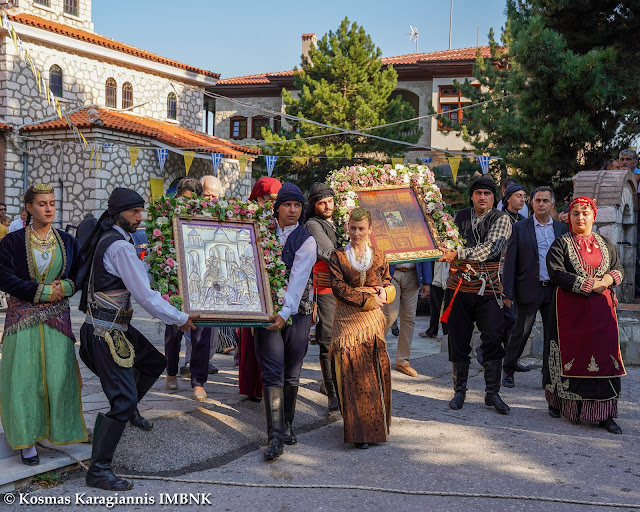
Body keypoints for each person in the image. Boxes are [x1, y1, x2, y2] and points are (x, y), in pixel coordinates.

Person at [74, 187, 198, 491]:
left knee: (154, 361)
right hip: (106, 333)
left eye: (141, 211)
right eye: (134, 212)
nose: (139, 217)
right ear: (119, 213)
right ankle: (99, 470)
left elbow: (143, 280)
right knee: (122, 398)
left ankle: (127, 412)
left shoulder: (117, 240)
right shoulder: (118, 246)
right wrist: (180, 319)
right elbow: (143, 295)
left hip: (114, 328)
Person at [0, 184, 87, 466]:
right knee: (23, 380)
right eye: (41, 204)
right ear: (28, 207)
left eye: (51, 203)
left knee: (58, 377)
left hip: (57, 320)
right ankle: (26, 441)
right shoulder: (11, 242)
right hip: (22, 320)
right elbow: (4, 277)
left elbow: (79, 273)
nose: (48, 208)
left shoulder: (67, 241)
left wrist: (66, 286)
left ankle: (58, 431)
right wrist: (44, 292)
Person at [544, 197, 625, 434]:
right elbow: (556, 273)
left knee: (605, 357)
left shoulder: (606, 243)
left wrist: (607, 281)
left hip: (602, 313)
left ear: (594, 216)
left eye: (585, 213)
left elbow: (618, 268)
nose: (581, 217)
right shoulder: (560, 244)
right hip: (569, 313)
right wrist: (590, 284)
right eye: (576, 213)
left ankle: (606, 414)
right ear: (569, 217)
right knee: (570, 355)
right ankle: (563, 404)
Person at [253, 182, 316, 461]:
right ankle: (274, 437)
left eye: (297, 206)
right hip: (266, 312)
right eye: (287, 204)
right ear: (277, 207)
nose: (292, 210)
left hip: (297, 311)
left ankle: (288, 423)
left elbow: (298, 279)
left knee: (292, 369)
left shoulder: (306, 239)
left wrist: (285, 312)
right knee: (272, 369)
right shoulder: (259, 230)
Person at [438, 175, 512, 414]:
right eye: (478, 193)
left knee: (493, 338)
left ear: (494, 197)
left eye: (487, 194)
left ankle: (492, 393)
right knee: (458, 340)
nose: (482, 197)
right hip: (458, 286)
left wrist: (456, 254)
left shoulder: (502, 219)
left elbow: (490, 249)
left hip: (489, 288)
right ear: (471, 196)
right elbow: (441, 241)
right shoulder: (457, 217)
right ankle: (459, 391)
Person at [329, 208, 396, 449]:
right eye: (353, 227)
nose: (356, 232)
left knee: (372, 373)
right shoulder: (337, 256)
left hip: (372, 324)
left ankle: (374, 429)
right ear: (347, 227)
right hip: (348, 322)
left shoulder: (379, 256)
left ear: (370, 230)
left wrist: (384, 293)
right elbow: (338, 287)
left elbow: (388, 281)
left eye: (361, 228)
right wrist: (367, 300)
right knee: (351, 372)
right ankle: (358, 433)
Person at [502, 186, 568, 388]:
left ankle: (548, 377)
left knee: (552, 336)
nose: (541, 204)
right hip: (529, 288)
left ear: (552, 204)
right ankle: (509, 369)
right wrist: (508, 292)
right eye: (538, 200)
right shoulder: (521, 228)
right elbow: (510, 262)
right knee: (521, 332)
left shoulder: (561, 229)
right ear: (532, 203)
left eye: (545, 201)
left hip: (554, 290)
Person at [164, 178, 214, 400]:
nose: (187, 205)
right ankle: (171, 373)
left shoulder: (208, 218)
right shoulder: (166, 219)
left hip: (200, 281)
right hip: (174, 281)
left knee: (202, 331)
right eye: (183, 199)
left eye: (192, 200)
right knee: (173, 330)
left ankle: (198, 381)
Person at [237, 177, 283, 402]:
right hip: (251, 281)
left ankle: (273, 383)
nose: (271, 204)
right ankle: (252, 385)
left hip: (276, 283)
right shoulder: (246, 218)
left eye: (276, 200)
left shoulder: (282, 219)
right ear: (257, 197)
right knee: (252, 334)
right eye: (267, 198)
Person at [304, 182, 341, 412]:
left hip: (345, 288)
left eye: (330, 201)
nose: (327, 206)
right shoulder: (312, 224)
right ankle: (332, 394)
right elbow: (329, 253)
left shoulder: (338, 223)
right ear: (314, 205)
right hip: (326, 289)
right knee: (327, 341)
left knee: (342, 340)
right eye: (321, 203)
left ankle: (333, 385)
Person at [383, 260, 431, 377]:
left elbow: (425, 251)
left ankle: (403, 360)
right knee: (389, 316)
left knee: (409, 318)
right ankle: (372, 355)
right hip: (390, 273)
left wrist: (427, 281)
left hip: (413, 274)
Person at [418, 261, 449, 341]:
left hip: (443, 270)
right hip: (434, 270)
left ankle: (447, 333)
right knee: (433, 303)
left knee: (442, 305)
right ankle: (432, 331)